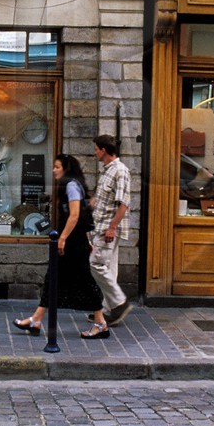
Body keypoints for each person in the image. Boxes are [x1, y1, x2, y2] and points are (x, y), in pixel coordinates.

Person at [13, 153, 107, 338]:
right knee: (53, 278)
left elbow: (75, 215)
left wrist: (62, 238)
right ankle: (36, 320)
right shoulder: (72, 184)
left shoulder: (71, 185)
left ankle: (101, 323)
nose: (54, 170)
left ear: (65, 168)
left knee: (84, 281)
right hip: (75, 240)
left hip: (72, 242)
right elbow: (84, 213)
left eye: (57, 167)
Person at [89, 135, 131, 327]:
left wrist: (112, 227)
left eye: (96, 149)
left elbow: (123, 203)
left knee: (95, 263)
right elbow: (103, 200)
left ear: (103, 150)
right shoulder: (107, 171)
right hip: (102, 226)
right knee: (109, 269)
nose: (95, 152)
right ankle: (108, 311)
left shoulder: (120, 171)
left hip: (107, 229)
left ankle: (119, 303)